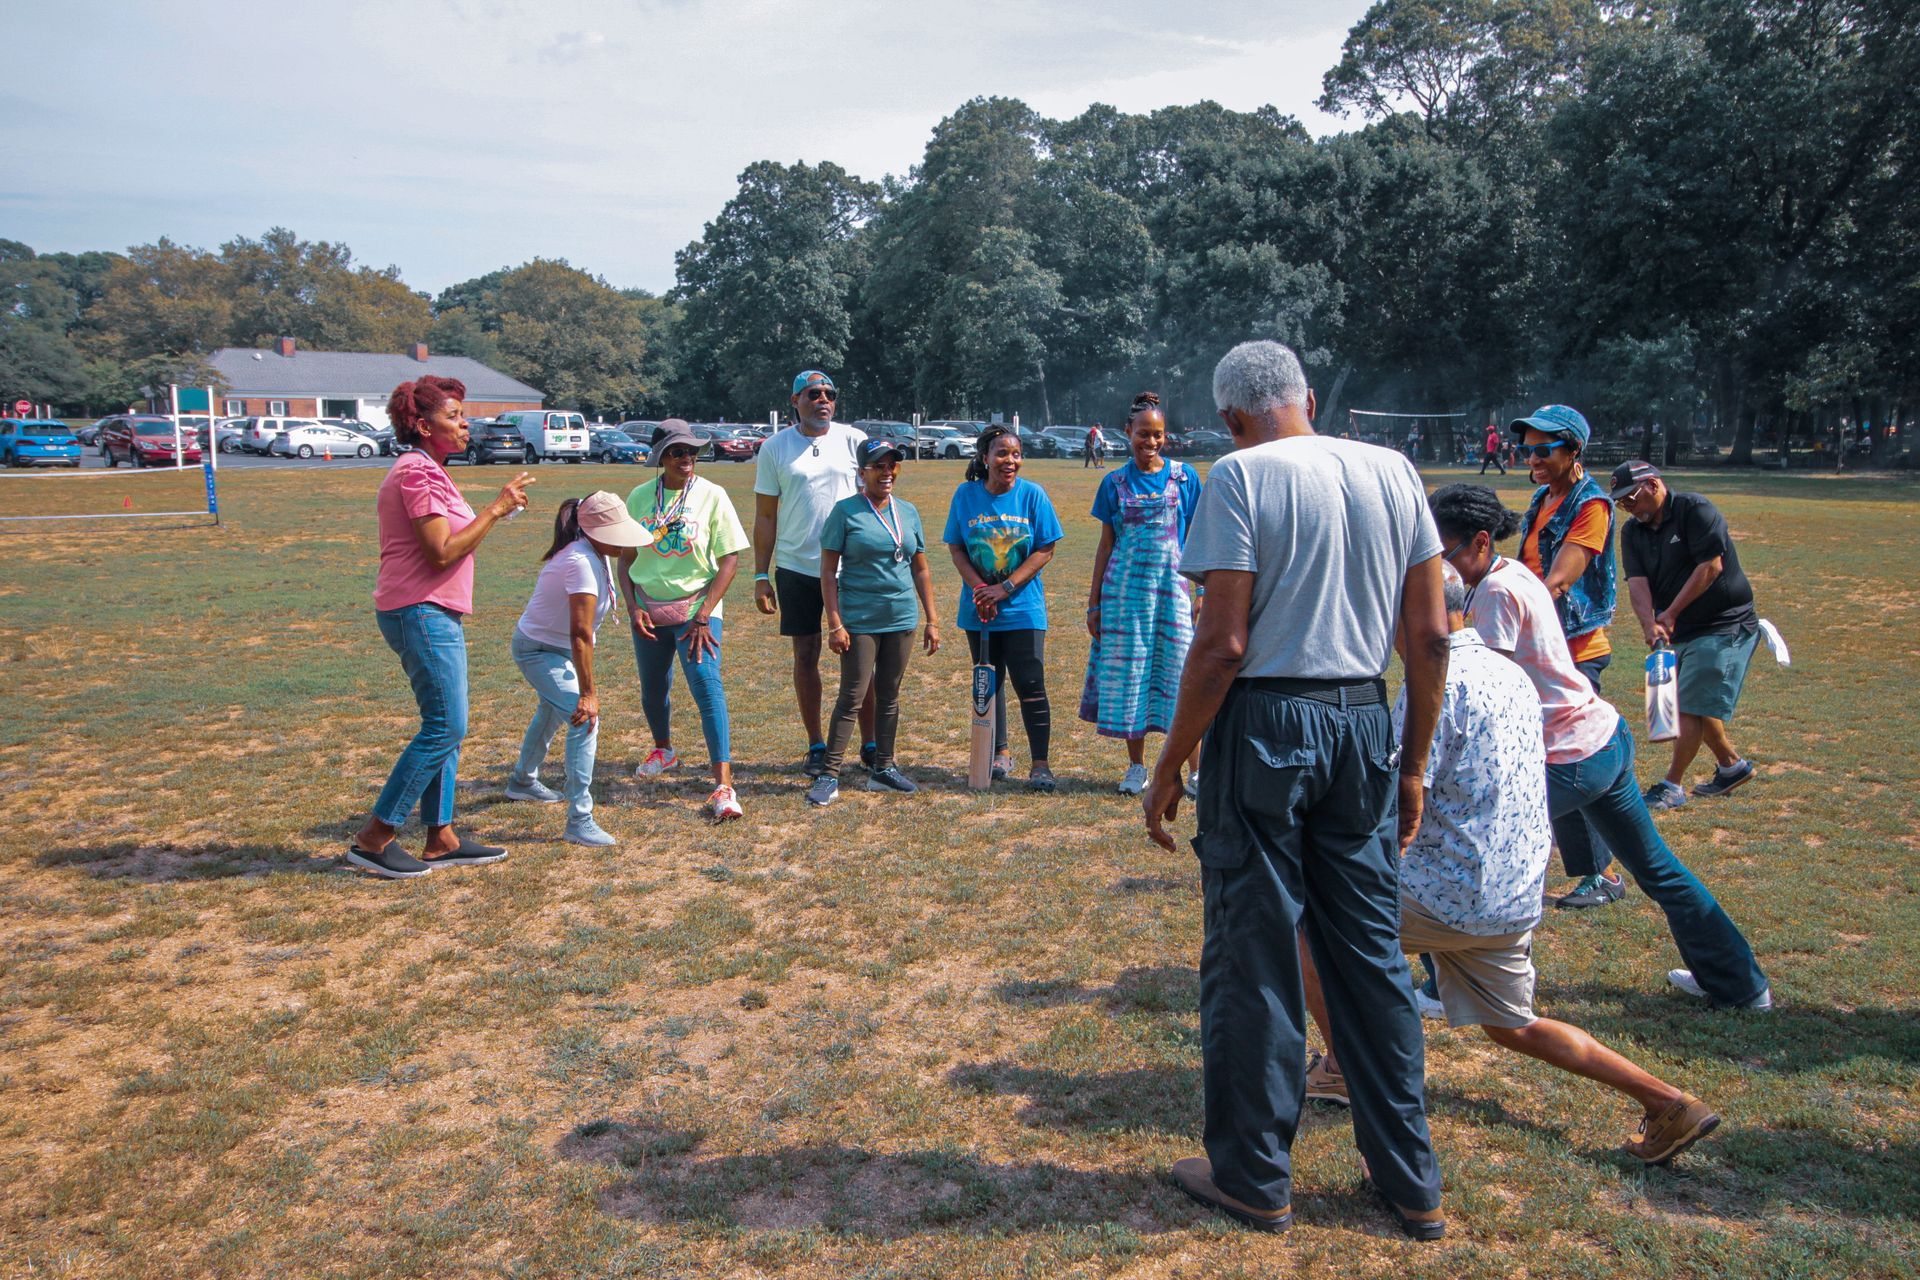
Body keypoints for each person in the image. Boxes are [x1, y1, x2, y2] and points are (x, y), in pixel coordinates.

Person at [1143, 340, 1452, 1240]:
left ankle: (1252, 1177)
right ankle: (1410, 1181)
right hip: (1363, 716)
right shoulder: (1396, 471)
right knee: (1370, 957)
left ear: (1234, 419)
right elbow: (1430, 638)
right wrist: (1415, 763)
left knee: (1255, 953)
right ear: (1307, 397)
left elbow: (1223, 643)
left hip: (1268, 725)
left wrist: (1171, 763)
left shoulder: (1238, 477)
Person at [1298, 566, 1723, 1166]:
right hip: (1514, 893)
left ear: (1413, 614)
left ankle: (1342, 1065)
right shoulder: (1513, 673)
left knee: (1305, 927)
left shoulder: (1431, 686)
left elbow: (1391, 803)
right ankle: (1668, 1102)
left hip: (1445, 892)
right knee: (1513, 1025)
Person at [1431, 483, 1773, 1011]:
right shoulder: (1512, 573)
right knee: (1658, 869)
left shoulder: (1495, 594)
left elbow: (1484, 693)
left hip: (1568, 755)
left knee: (1460, 848)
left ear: (1479, 542)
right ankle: (1740, 984)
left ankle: (1442, 986)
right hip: (1603, 738)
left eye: (1445, 552)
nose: (1440, 565)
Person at [348, 376, 534, 879]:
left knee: (446, 726)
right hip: (420, 609)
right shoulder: (417, 473)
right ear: (421, 425)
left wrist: (495, 510)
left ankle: (441, 836)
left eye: (461, 414)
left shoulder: (432, 470)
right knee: (445, 726)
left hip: (432, 610)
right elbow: (441, 551)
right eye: (453, 415)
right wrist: (494, 509)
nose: (464, 422)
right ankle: (375, 837)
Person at [1510, 404, 1622, 909]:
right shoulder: (1543, 496)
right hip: (1543, 647)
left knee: (1567, 763)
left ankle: (1602, 875)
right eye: (1526, 448)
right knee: (1555, 760)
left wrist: (1507, 615)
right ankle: (1597, 869)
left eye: (1543, 449)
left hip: (1575, 651)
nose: (1531, 458)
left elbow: (1558, 580)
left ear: (1574, 451)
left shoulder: (1591, 505)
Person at [1611, 461, 1762, 810]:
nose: (1628, 508)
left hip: (1724, 623)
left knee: (1689, 704)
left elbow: (1710, 567)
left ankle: (1671, 786)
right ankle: (1731, 767)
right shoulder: (1632, 532)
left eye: (1631, 498)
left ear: (1652, 485)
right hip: (1681, 630)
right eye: (1621, 504)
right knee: (1691, 700)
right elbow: (1637, 582)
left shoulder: (1694, 510)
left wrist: (1670, 614)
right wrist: (1648, 624)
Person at [618, 420, 749, 822]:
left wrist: (705, 614)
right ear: (661, 458)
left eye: (692, 451)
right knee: (653, 689)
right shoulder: (640, 498)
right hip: (649, 608)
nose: (687, 458)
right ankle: (664, 750)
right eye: (677, 452)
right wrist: (633, 606)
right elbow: (624, 561)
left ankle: (723, 786)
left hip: (697, 611)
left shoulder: (713, 495)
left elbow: (730, 559)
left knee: (708, 689)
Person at [506, 493, 654, 846]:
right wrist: (588, 694)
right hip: (539, 650)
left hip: (557, 649)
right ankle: (579, 819)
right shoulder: (581, 561)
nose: (623, 540)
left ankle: (522, 781)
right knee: (583, 717)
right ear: (593, 531)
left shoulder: (595, 554)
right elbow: (580, 634)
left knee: (552, 711)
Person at [807, 439, 943, 805]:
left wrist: (932, 618)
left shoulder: (908, 512)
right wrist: (835, 623)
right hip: (859, 620)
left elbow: (921, 568)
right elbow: (826, 572)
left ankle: (884, 768)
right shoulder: (845, 512)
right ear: (862, 472)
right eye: (878, 466)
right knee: (852, 695)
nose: (886, 472)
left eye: (892, 465)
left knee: (890, 695)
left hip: (901, 618)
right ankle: (829, 774)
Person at [1079, 391, 1202, 796]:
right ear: (1127, 433)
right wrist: (1094, 603)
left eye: (1158, 435)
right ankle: (1137, 768)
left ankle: (1196, 770)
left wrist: (1201, 592)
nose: (1151, 442)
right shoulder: (1113, 482)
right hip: (1125, 599)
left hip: (1172, 596)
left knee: (1181, 677)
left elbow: (1199, 540)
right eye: (1143, 435)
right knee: (1132, 678)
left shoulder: (1185, 478)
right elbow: (1105, 545)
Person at [752, 371, 872, 777]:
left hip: (850, 567)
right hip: (796, 568)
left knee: (860, 657)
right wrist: (760, 575)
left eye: (829, 394)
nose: (823, 400)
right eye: (813, 394)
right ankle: (817, 744)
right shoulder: (774, 447)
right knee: (806, 655)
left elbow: (877, 494)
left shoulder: (854, 440)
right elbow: (766, 516)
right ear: (795, 400)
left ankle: (870, 743)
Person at [944, 423, 1065, 792]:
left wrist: (1006, 588)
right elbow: (956, 548)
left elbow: (1046, 548)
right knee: (988, 685)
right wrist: (982, 588)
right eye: (1001, 453)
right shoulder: (965, 496)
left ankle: (1040, 765)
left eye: (1015, 454)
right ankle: (999, 753)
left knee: (1030, 684)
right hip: (979, 609)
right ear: (985, 458)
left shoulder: (1033, 495)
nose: (1009, 460)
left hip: (1023, 609)